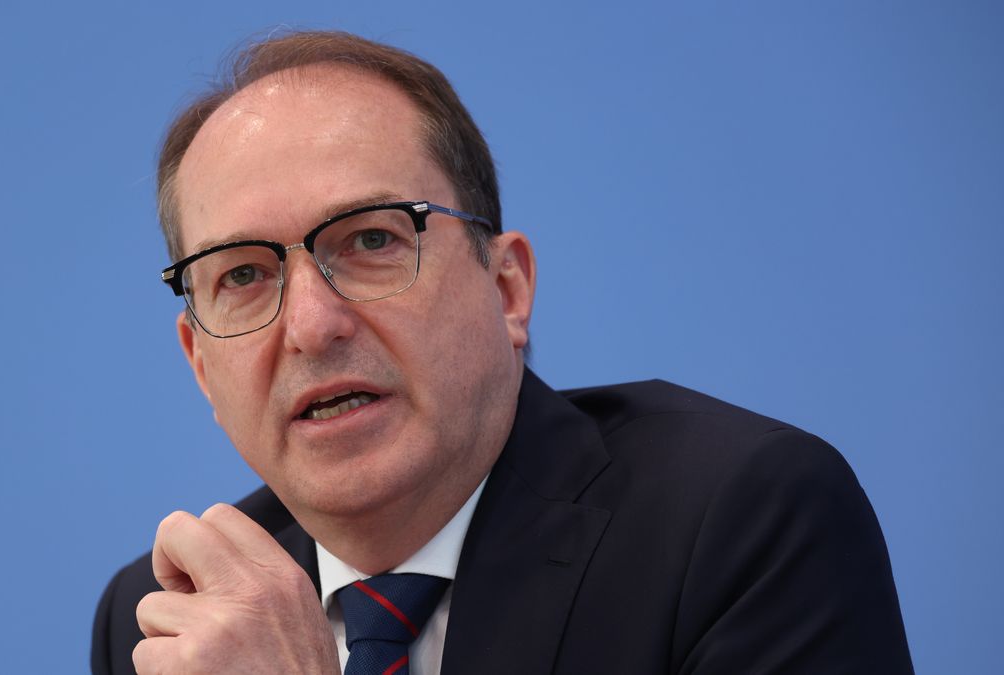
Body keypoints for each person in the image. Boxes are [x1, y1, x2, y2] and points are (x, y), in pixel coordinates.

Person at [92, 31, 913, 674]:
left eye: (373, 238)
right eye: (242, 274)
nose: (311, 325)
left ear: (508, 287)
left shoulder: (740, 522)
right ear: (200, 362)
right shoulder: (170, 614)